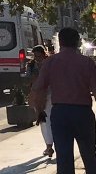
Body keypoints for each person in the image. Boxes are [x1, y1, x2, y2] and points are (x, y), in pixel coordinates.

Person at [31, 27, 96, 174]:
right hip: (83, 113)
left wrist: (39, 110)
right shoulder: (87, 63)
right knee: (90, 155)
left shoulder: (50, 62)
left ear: (60, 42)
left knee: (64, 157)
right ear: (78, 42)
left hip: (60, 113)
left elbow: (38, 88)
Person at [27, 44, 54, 157]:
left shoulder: (50, 64)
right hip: (37, 96)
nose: (37, 59)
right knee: (42, 120)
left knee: (50, 120)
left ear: (44, 55)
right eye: (35, 56)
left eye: (39, 56)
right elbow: (28, 80)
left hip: (50, 95)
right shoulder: (32, 65)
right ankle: (48, 145)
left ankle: (50, 145)